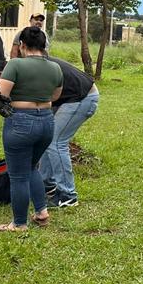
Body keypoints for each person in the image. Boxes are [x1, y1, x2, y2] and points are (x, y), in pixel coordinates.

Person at [0, 27, 63, 233]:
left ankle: (19, 223)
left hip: (20, 121)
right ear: (44, 46)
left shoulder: (15, 64)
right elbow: (56, 97)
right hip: (46, 121)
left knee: (18, 175)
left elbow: (2, 95)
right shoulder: (56, 68)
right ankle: (41, 212)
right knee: (32, 166)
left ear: (22, 45)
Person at [40, 56, 100, 208]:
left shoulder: (36, 66)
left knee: (56, 141)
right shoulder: (38, 61)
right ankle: (47, 184)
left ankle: (67, 195)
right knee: (48, 139)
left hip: (82, 98)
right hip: (71, 98)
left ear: (22, 46)